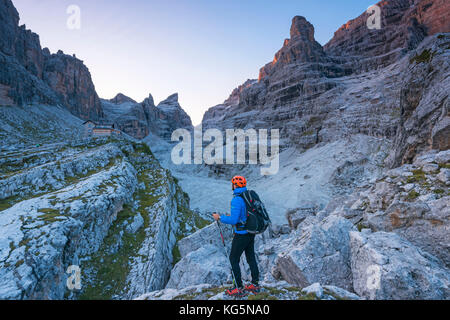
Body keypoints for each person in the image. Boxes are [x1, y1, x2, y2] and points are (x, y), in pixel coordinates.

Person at [212, 176, 260, 297]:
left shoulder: (236, 200)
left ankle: (238, 288)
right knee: (251, 258)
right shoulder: (247, 195)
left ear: (235, 185)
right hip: (250, 232)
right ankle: (255, 285)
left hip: (241, 234)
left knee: (233, 259)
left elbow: (233, 220)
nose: (232, 186)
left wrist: (220, 218)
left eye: (232, 184)